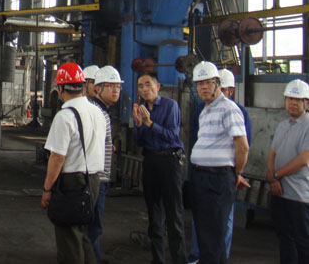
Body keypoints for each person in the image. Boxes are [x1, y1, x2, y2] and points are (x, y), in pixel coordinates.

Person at [41, 62, 106, 264]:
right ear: (82, 85)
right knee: (82, 234)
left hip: (72, 182)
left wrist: (47, 189)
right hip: (93, 181)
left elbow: (57, 157)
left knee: (69, 238)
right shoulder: (97, 112)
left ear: (61, 89)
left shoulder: (65, 116)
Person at [188, 68, 252, 263]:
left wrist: (236, 174)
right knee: (205, 235)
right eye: (199, 84)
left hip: (218, 179)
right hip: (201, 177)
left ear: (218, 84)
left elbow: (243, 147)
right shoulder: (204, 111)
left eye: (208, 83)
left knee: (214, 237)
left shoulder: (228, 108)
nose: (204, 87)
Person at [133, 73, 187, 264]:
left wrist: (149, 124)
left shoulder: (170, 106)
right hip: (150, 161)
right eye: (140, 86)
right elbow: (139, 141)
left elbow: (173, 136)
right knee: (153, 212)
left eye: (148, 84)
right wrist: (138, 125)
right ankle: (158, 259)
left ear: (158, 86)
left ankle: (179, 259)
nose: (144, 89)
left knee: (174, 213)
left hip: (169, 162)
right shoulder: (141, 109)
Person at [266, 79, 309, 263]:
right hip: (279, 192)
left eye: (298, 99)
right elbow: (272, 153)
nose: (293, 102)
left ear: (306, 102)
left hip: (299, 196)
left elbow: (303, 159)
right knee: (285, 239)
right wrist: (273, 179)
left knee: (303, 241)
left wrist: (277, 175)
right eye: (290, 98)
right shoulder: (282, 125)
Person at [87, 65, 122, 263]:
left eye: (118, 86)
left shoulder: (103, 112)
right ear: (97, 89)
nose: (116, 90)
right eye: (110, 86)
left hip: (100, 178)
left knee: (94, 224)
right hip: (96, 179)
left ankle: (94, 257)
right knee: (93, 225)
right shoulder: (97, 112)